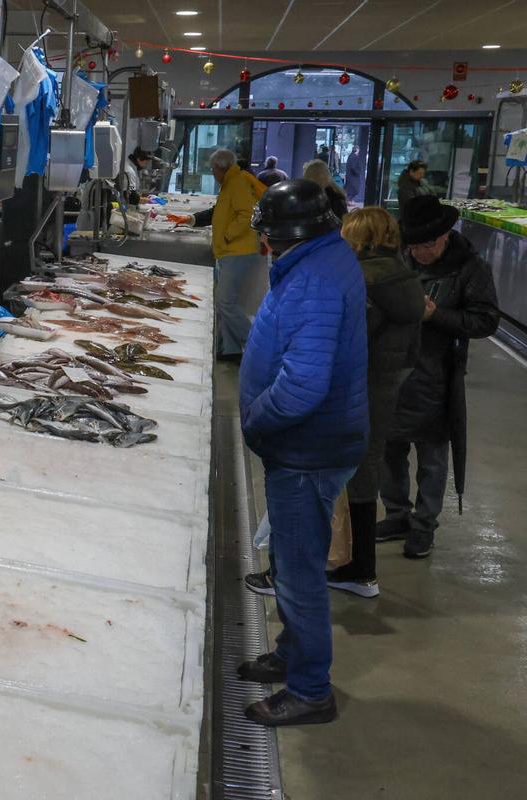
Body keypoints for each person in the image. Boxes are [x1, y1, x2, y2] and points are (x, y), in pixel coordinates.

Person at [236, 179, 368, 727]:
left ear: (283, 234)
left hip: (306, 449)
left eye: (266, 233)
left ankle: (311, 689)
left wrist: (256, 421)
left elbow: (303, 386)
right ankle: (292, 655)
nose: (264, 243)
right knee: (295, 563)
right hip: (313, 444)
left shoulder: (313, 278)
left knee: (298, 573)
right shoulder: (320, 258)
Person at [378, 195, 500, 558]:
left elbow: (485, 320)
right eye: (413, 244)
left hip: (436, 376)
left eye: (427, 244)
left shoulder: (469, 268)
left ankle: (424, 524)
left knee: (431, 457)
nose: (419, 252)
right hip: (393, 369)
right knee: (389, 449)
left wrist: (437, 318)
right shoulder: (400, 256)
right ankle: (397, 513)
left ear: (446, 235)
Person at [323, 208, 424, 597]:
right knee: (364, 474)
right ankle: (360, 566)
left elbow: (347, 340)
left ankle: (354, 567)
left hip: (357, 390)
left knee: (344, 477)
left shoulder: (366, 281)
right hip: (384, 388)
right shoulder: (402, 276)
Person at [173, 148, 268, 360]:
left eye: (212, 169)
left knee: (225, 302)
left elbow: (247, 215)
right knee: (225, 302)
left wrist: (227, 235)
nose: (212, 173)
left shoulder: (238, 183)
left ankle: (259, 346)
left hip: (238, 250)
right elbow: (219, 212)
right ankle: (231, 350)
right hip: (230, 251)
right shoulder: (231, 183)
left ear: (220, 168)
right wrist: (192, 220)